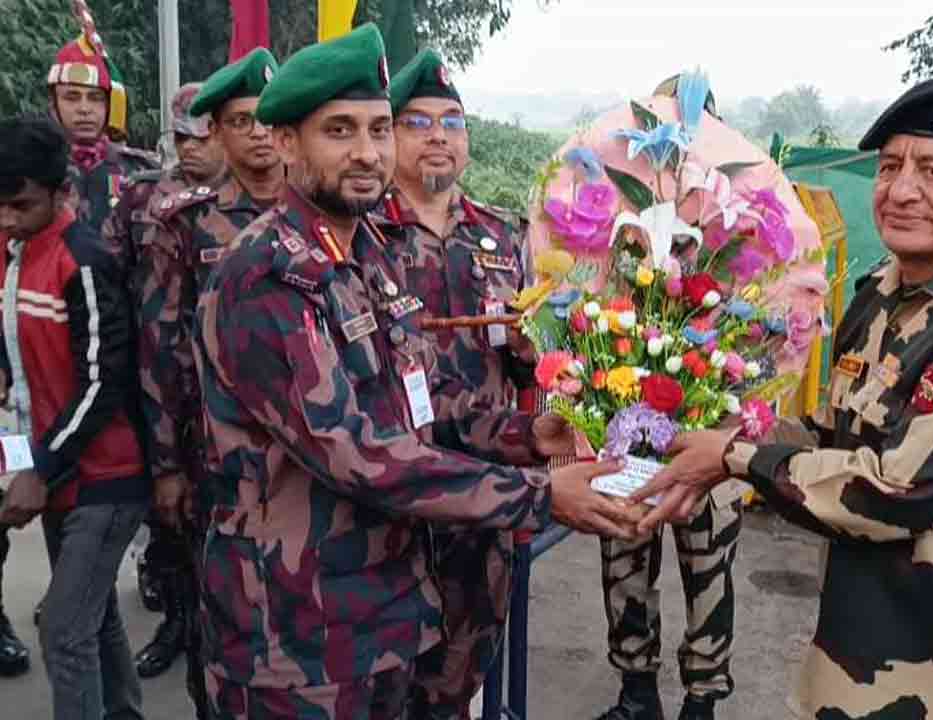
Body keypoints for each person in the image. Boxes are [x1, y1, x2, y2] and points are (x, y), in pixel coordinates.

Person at [193, 24, 641, 720]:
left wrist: (530, 434)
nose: (367, 152)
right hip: (297, 639)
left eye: (378, 129)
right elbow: (356, 450)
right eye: (339, 131)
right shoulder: (267, 276)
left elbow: (422, 402)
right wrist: (539, 495)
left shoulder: (366, 253)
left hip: (389, 614)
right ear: (285, 143)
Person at [633, 77, 933, 718]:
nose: (901, 190)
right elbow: (841, 434)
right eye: (890, 166)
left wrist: (733, 459)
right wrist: (728, 431)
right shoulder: (884, 290)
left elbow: (899, 491)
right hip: (867, 656)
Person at [377, 47, 539, 720]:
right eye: (417, 122)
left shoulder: (503, 235)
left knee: (462, 670)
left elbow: (531, 363)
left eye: (451, 121)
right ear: (388, 136)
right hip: (392, 496)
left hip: (487, 490)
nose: (438, 135)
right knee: (385, 682)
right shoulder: (362, 235)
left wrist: (535, 353)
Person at [129, 50, 283, 716]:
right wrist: (167, 467)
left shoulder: (320, 215)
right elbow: (160, 351)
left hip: (303, 455)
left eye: (269, 120)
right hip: (211, 456)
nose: (259, 134)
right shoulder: (186, 224)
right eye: (242, 121)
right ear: (216, 131)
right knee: (216, 620)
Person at [587, 74, 742, 720]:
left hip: (713, 425)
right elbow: (592, 306)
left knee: (709, 566)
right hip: (629, 424)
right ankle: (637, 692)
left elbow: (766, 327)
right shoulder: (622, 218)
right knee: (625, 549)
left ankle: (702, 699)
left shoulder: (740, 216)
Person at [0, 116, 150, 719]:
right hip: (58, 471)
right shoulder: (18, 254)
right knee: (95, 616)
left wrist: (41, 467)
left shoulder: (82, 261)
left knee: (64, 631)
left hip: (106, 477)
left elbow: (103, 382)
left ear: (61, 191)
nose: (7, 218)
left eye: (21, 205)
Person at [102, 82, 224, 685]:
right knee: (169, 524)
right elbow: (109, 280)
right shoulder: (144, 197)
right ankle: (176, 622)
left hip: (218, 400)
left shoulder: (252, 201)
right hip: (155, 388)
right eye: (182, 138)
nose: (191, 148)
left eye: (201, 137)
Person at [47, 33, 158, 235]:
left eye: (95, 98)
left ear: (109, 106)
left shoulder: (141, 170)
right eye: (72, 98)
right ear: (54, 107)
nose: (84, 109)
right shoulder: (35, 169)